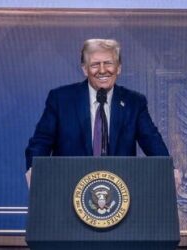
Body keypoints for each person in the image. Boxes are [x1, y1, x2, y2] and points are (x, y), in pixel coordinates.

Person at [25, 39, 169, 182]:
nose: (102, 70)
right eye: (95, 64)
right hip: (68, 186)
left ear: (118, 68)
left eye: (108, 63)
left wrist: (169, 169)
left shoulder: (134, 102)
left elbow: (152, 140)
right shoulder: (61, 99)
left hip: (120, 191)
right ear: (84, 69)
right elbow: (41, 142)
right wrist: (34, 169)